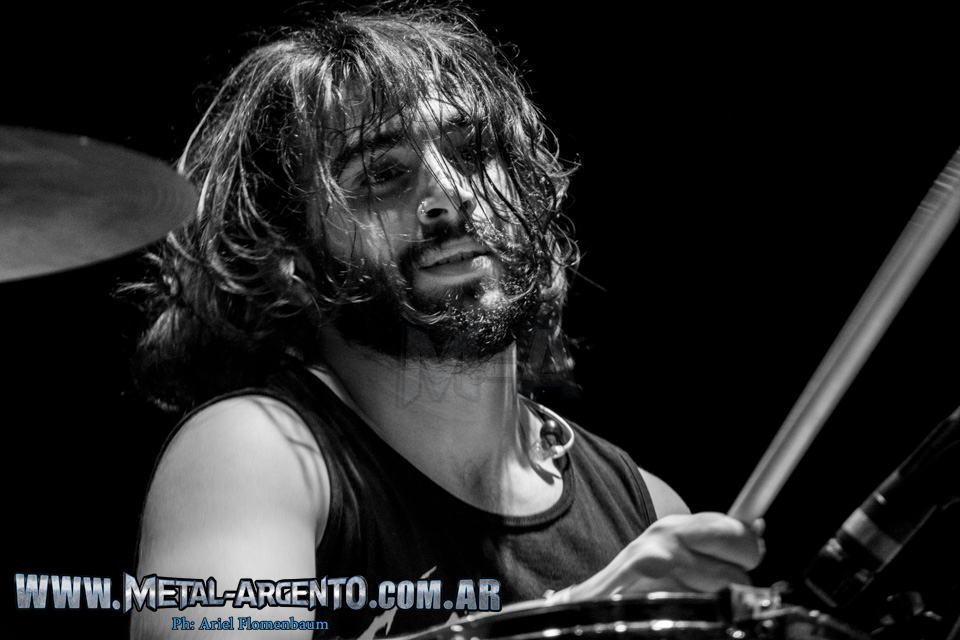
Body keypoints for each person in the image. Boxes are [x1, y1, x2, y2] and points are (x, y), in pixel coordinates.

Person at [130, 5, 764, 638]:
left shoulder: (647, 511)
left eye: (473, 151)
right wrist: (585, 615)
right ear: (287, 258)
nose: (450, 193)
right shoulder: (251, 455)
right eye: (382, 174)